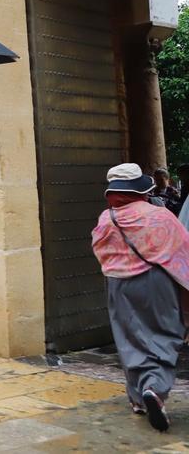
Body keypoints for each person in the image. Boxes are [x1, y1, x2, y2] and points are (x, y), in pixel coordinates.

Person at [90, 163, 189, 432]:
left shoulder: (105, 219)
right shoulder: (160, 216)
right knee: (164, 333)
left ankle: (137, 397)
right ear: (141, 188)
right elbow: (183, 248)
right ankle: (154, 389)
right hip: (156, 283)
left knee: (129, 337)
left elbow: (99, 250)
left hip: (117, 285)